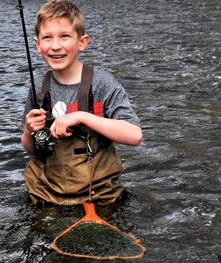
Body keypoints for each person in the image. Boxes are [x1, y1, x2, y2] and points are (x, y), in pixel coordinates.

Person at [21, 0, 142, 206]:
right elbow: (32, 149)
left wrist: (81, 116)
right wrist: (27, 130)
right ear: (37, 44)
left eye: (65, 36)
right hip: (46, 194)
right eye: (47, 38)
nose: (56, 46)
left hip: (99, 197)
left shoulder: (102, 83)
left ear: (82, 42)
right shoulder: (39, 89)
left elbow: (134, 135)